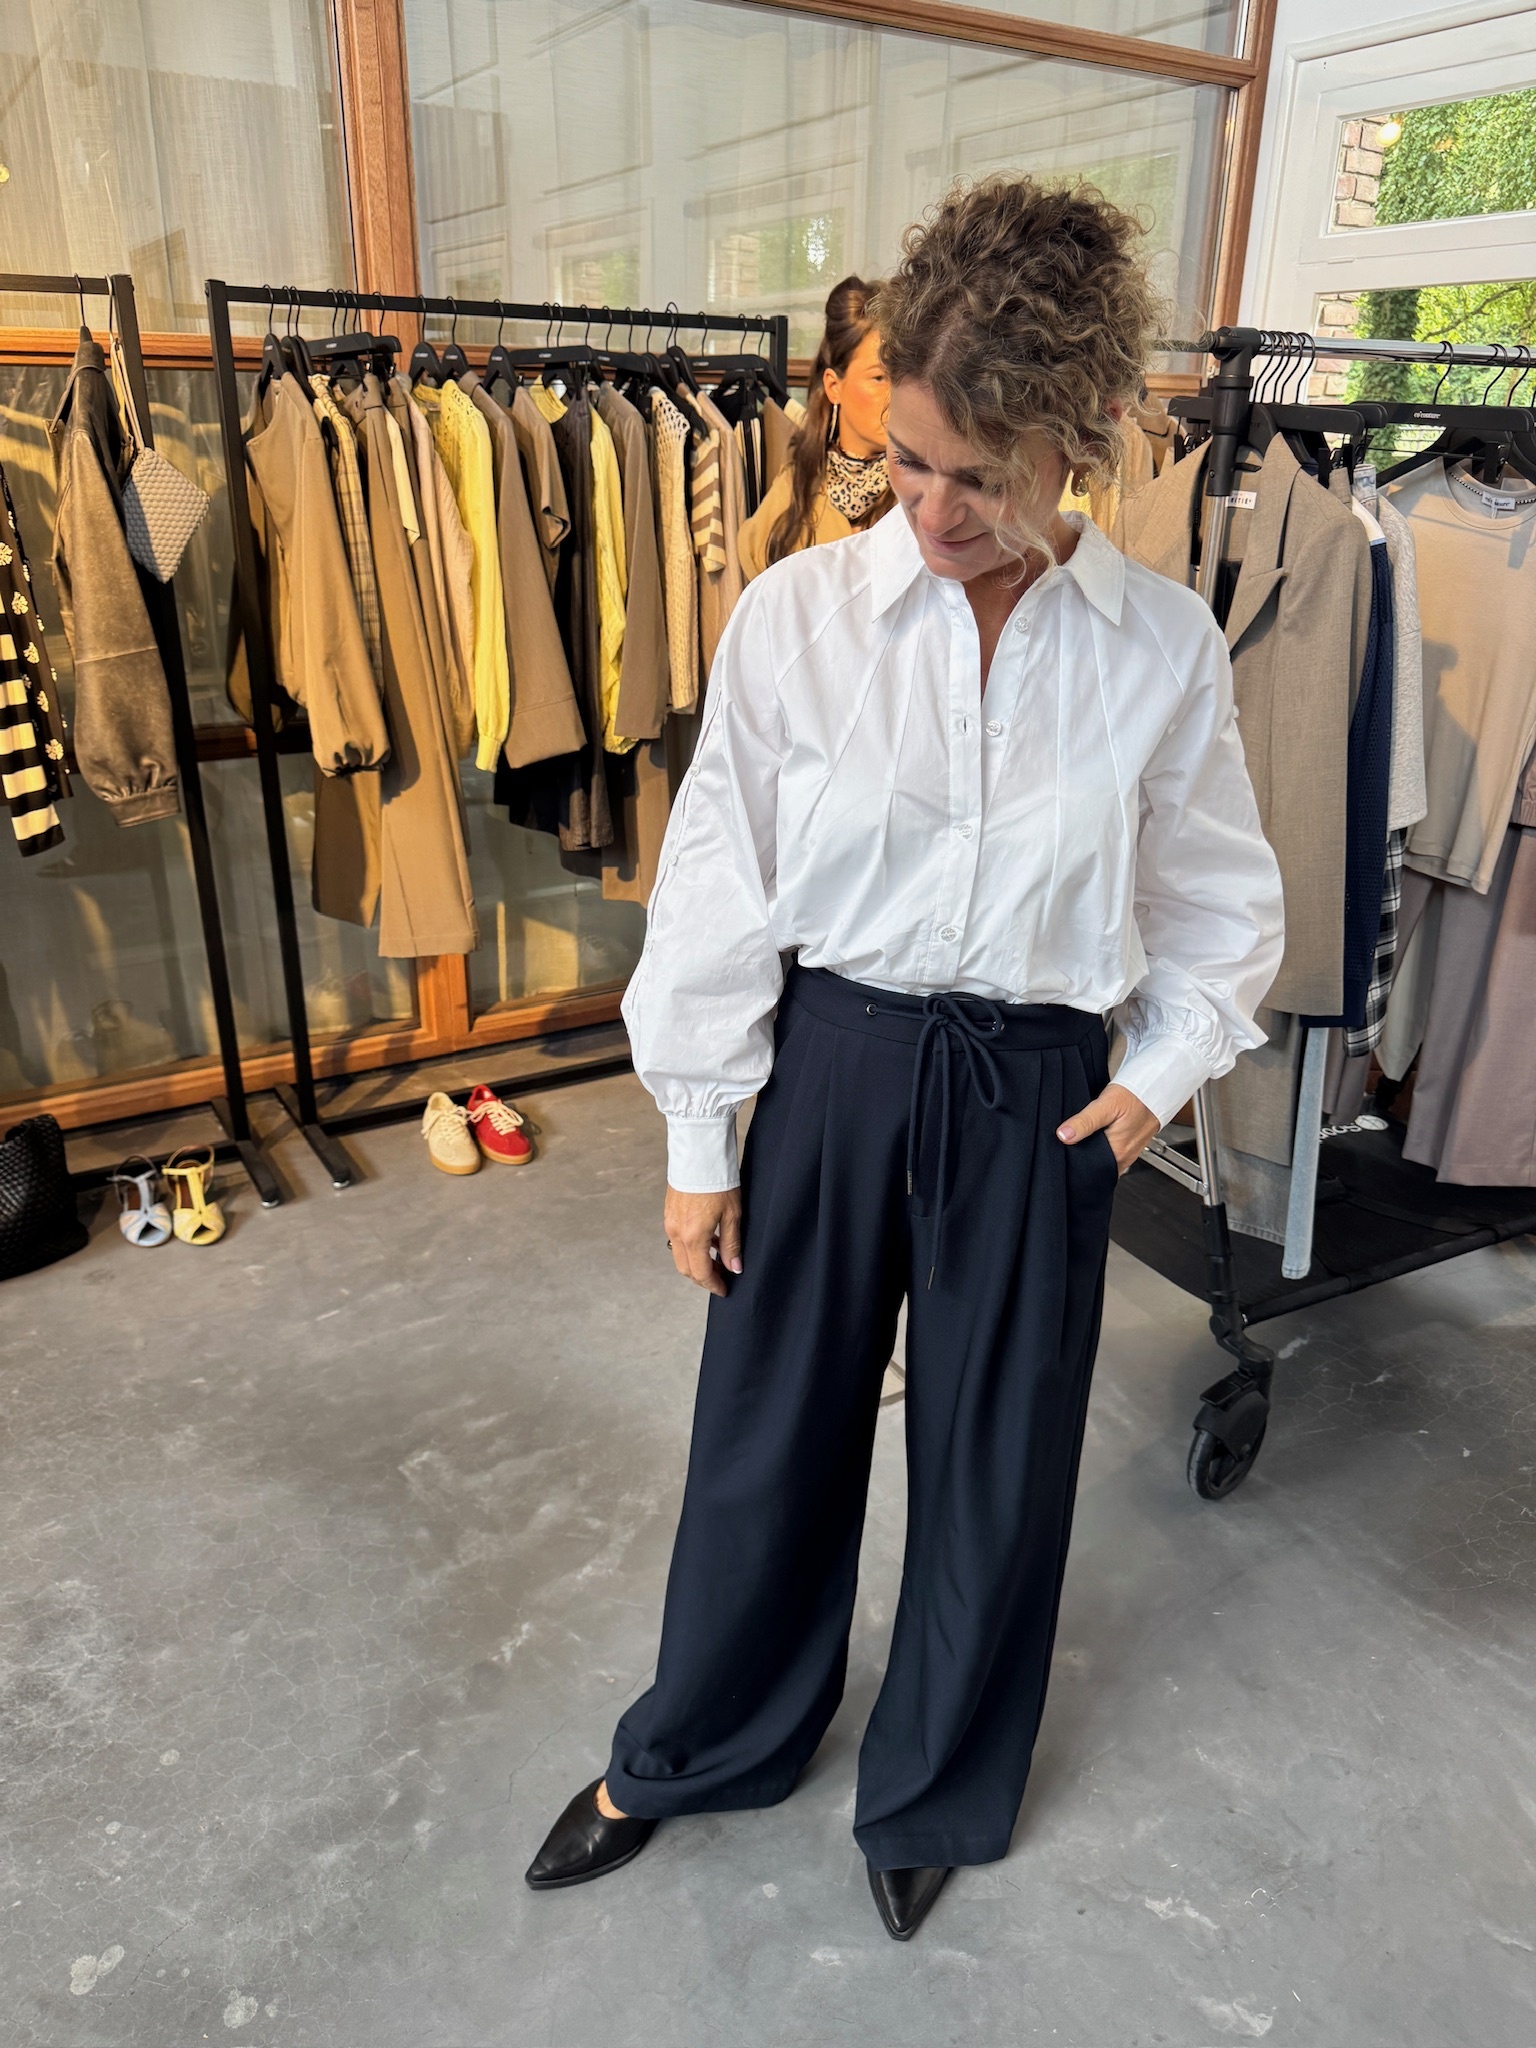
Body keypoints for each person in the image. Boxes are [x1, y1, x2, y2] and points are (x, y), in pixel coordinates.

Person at [525, 177, 1284, 1941]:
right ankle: (699, 1742)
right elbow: (719, 880)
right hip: (835, 1063)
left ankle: (935, 1776)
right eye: (910, 461)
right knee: (767, 1430)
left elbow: (1219, 896)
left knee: (998, 1455)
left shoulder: (1161, 648)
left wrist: (1153, 1079)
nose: (935, 509)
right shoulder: (799, 617)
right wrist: (700, 1139)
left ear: (1079, 441)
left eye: (983, 475)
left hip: (1039, 1088)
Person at [737, 275, 892, 580]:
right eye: (879, 378)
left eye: (904, 376)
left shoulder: (921, 492)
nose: (895, 396)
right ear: (834, 386)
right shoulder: (796, 488)